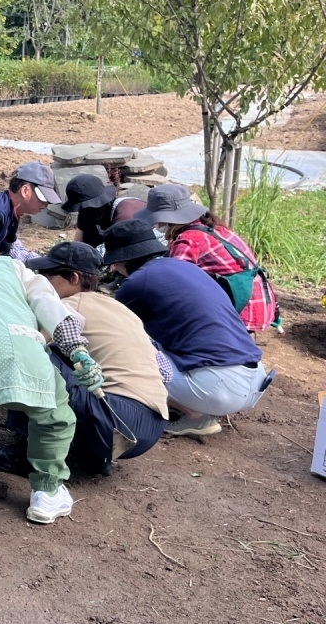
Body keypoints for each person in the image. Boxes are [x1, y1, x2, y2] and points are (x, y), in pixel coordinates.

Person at [0, 231, 105, 524]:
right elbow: (51, 308)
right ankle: (46, 494)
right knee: (55, 417)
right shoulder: (11, 267)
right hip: (20, 348)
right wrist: (77, 351)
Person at [104, 220, 271, 438]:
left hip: (221, 387)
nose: (114, 268)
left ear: (122, 260)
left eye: (115, 262)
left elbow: (111, 330)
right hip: (254, 376)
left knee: (122, 353)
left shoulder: (136, 283)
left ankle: (194, 413)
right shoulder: (185, 267)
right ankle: (197, 405)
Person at [25, 241, 169, 476]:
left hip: (115, 419)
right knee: (75, 363)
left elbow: (34, 342)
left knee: (34, 355)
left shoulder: (69, 304)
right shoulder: (121, 309)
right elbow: (165, 372)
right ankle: (92, 456)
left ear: (73, 278)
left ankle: (26, 454)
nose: (44, 283)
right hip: (151, 427)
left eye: (48, 276)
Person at [142, 183, 280, 333]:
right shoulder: (217, 229)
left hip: (242, 311)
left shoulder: (189, 239)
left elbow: (173, 285)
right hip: (261, 305)